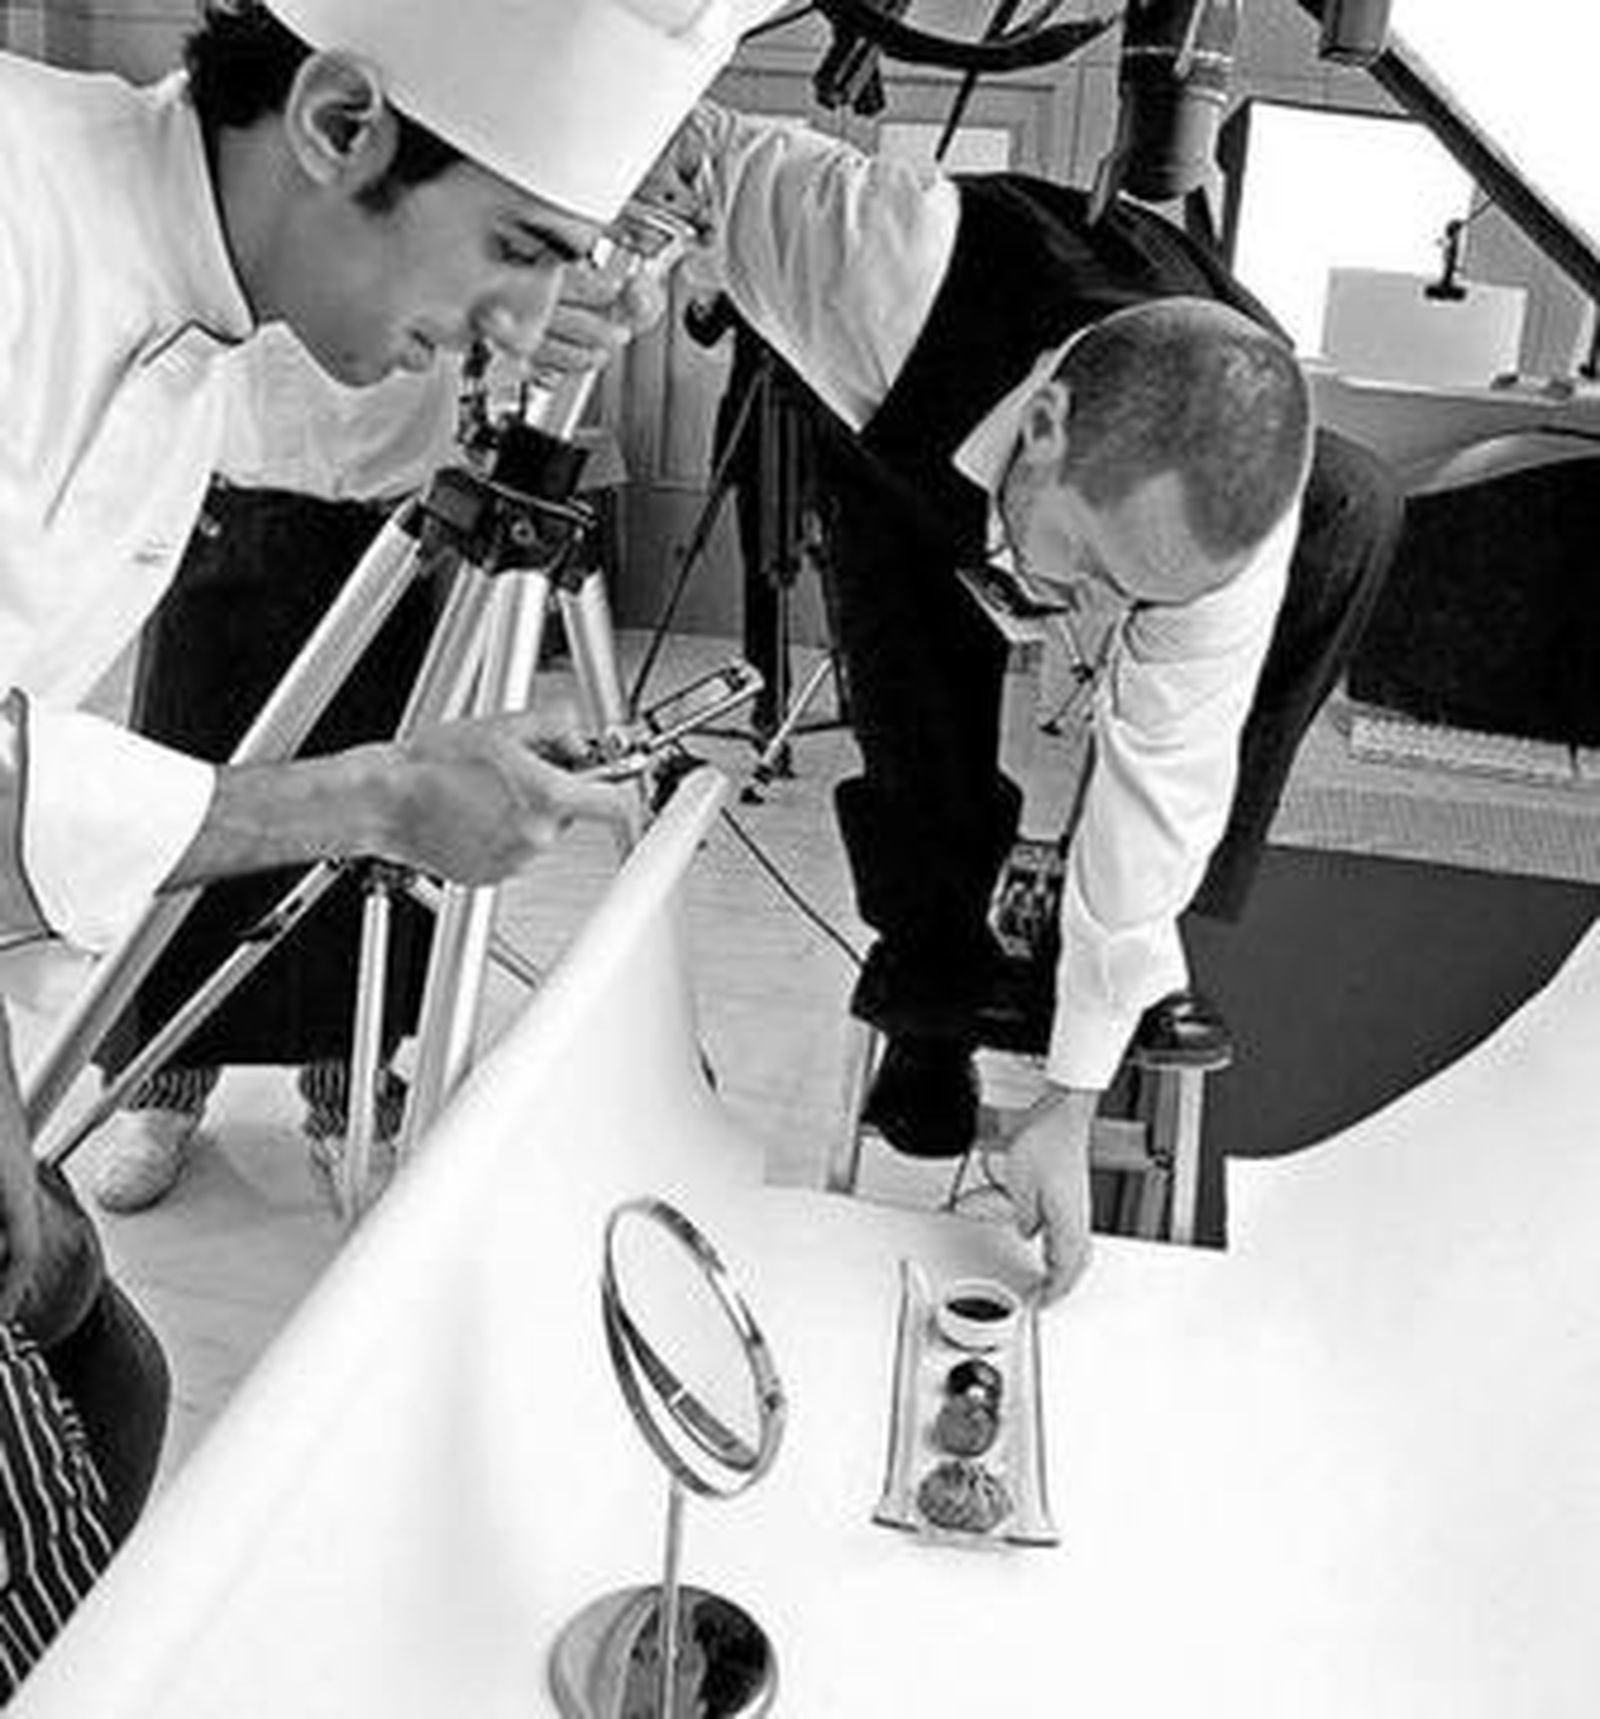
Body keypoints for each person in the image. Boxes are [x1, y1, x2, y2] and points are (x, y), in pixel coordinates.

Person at [0, 0, 750, 1690]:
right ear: (342, 121)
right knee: (54, 1553)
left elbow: (311, 421)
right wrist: (374, 797)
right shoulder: (16, 222)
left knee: (107, 1376)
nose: (530, 311)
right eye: (517, 246)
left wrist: (501, 325)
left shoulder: (188, 261)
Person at [653, 105, 1402, 1302]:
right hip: (906, 421)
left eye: (1134, 598)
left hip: (1074, 454)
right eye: (1095, 572)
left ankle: (1153, 965)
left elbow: (1164, 777)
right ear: (1046, 427)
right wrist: (609, 271)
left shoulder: (1233, 542)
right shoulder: (865, 253)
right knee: (911, 653)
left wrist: (1071, 1092)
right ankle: (930, 987)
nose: (1090, 615)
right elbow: (677, 141)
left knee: (1356, 516)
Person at [88, 333, 456, 1214]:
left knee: (368, 821)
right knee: (186, 808)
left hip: (393, 511)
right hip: (224, 494)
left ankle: (350, 1092)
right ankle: (161, 1088)